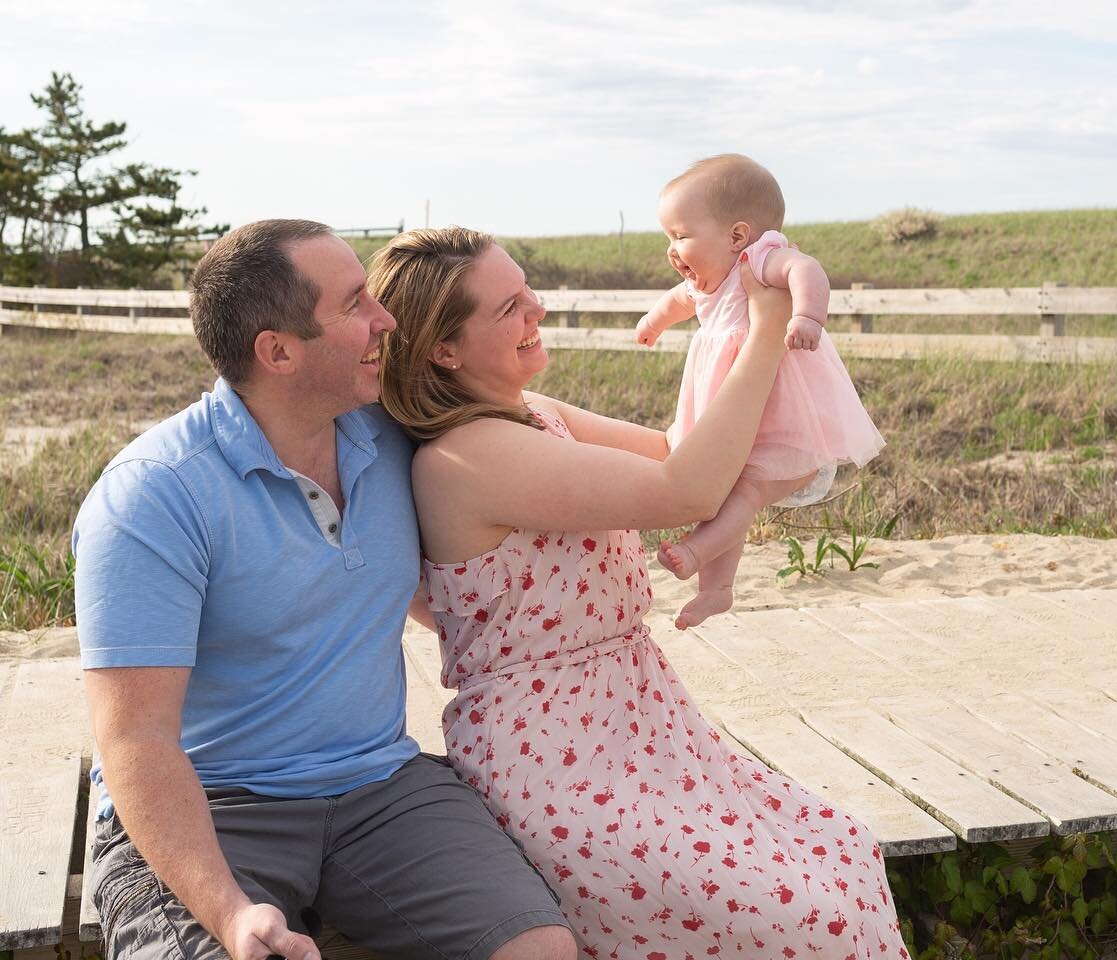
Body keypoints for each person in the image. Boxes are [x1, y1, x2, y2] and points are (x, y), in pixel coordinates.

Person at [371, 225, 910, 959]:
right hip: (556, 756)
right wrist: (766, 328)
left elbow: (672, 447)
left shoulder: (536, 414)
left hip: (640, 716)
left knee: (842, 849)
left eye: (528, 292)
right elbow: (682, 487)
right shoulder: (468, 455)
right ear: (443, 348)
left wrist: (726, 324)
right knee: (809, 916)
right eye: (509, 309)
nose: (538, 311)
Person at [72, 219, 577, 960]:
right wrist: (231, 913)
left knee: (540, 949)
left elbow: (557, 446)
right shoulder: (152, 499)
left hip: (380, 785)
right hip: (211, 806)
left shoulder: (393, 433)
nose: (387, 321)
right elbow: (137, 741)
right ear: (276, 351)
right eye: (354, 307)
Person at [634, 153, 885, 629]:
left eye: (681, 236)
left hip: (778, 417)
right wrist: (654, 321)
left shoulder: (759, 259)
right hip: (732, 413)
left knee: (744, 492)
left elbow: (805, 270)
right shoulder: (708, 281)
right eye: (668, 237)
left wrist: (807, 316)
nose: (671, 249)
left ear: (736, 235)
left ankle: (695, 550)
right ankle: (718, 590)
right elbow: (678, 301)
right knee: (723, 489)